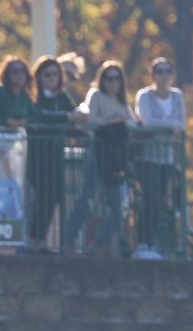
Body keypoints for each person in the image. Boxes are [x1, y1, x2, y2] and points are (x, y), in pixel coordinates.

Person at [61, 61, 137, 253]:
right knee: (87, 198)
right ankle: (68, 238)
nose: (113, 82)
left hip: (116, 157)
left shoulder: (122, 101)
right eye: (109, 78)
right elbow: (88, 120)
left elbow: (134, 123)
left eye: (117, 78)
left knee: (119, 205)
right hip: (97, 152)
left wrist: (120, 121)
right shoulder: (96, 95)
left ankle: (101, 243)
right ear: (102, 80)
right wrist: (111, 121)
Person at [132, 57, 183, 258]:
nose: (164, 76)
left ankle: (151, 244)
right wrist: (169, 126)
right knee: (150, 199)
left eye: (167, 71)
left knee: (161, 200)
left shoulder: (177, 96)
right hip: (148, 157)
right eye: (159, 71)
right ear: (153, 75)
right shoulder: (145, 96)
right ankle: (141, 243)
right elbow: (147, 121)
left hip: (168, 157)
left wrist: (166, 125)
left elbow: (182, 124)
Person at [27, 55, 76, 249]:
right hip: (37, 155)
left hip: (55, 155)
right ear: (39, 76)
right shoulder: (33, 96)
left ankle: (40, 240)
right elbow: (39, 117)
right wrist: (65, 118)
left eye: (56, 74)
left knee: (55, 197)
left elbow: (73, 114)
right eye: (47, 74)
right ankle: (33, 239)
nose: (52, 78)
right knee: (43, 195)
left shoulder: (62, 97)